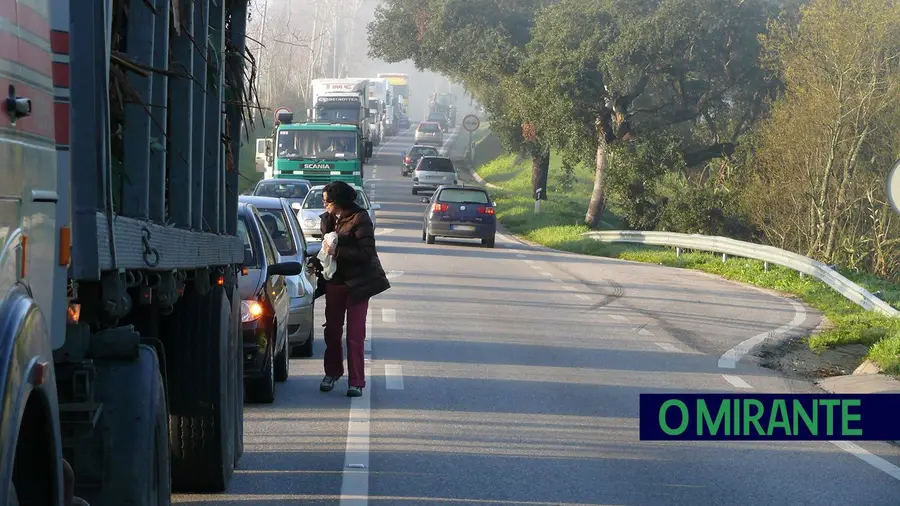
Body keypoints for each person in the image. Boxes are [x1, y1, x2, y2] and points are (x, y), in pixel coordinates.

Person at [317, 181, 390, 397]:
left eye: (326, 201)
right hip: (335, 282)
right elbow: (325, 248)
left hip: (358, 284)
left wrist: (337, 252)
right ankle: (332, 372)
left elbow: (367, 254)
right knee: (332, 332)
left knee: (355, 336)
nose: (324, 205)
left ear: (338, 201)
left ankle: (356, 381)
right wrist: (316, 261)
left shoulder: (360, 218)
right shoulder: (328, 218)